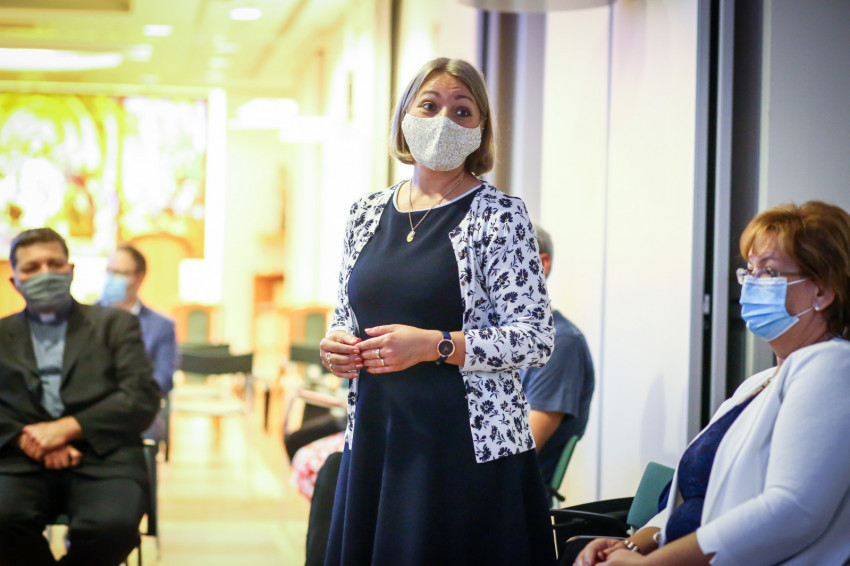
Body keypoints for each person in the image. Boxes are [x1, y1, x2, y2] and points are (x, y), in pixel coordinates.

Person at [319, 57, 557, 566]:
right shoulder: (365, 212)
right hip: (378, 433)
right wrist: (336, 342)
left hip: (465, 444)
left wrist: (434, 345)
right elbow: (345, 311)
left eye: (462, 110)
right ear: (404, 116)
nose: (444, 120)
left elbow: (535, 338)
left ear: (481, 129)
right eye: (429, 105)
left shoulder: (500, 216)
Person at [575, 200, 850, 566]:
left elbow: (791, 510)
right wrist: (632, 547)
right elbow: (697, 502)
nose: (752, 284)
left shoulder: (833, 366)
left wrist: (652, 564)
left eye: (768, 272)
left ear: (823, 291)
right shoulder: (759, 384)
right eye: (749, 271)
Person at [0, 227, 161, 566]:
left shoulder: (115, 325)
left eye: (54, 263)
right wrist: (26, 438)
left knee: (112, 528)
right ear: (15, 281)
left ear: (70, 270)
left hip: (105, 458)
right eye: (31, 267)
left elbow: (141, 397)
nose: (45, 273)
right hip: (19, 460)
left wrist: (67, 428)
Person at [521, 225, 595, 489]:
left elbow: (519, 454)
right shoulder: (497, 341)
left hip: (510, 501)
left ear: (540, 265)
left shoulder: (560, 344)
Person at [102, 244, 178, 441]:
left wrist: (125, 400)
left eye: (120, 273)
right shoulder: (84, 318)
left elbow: (163, 378)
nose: (112, 279)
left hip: (136, 410)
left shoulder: (161, 326)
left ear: (139, 277)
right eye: (109, 272)